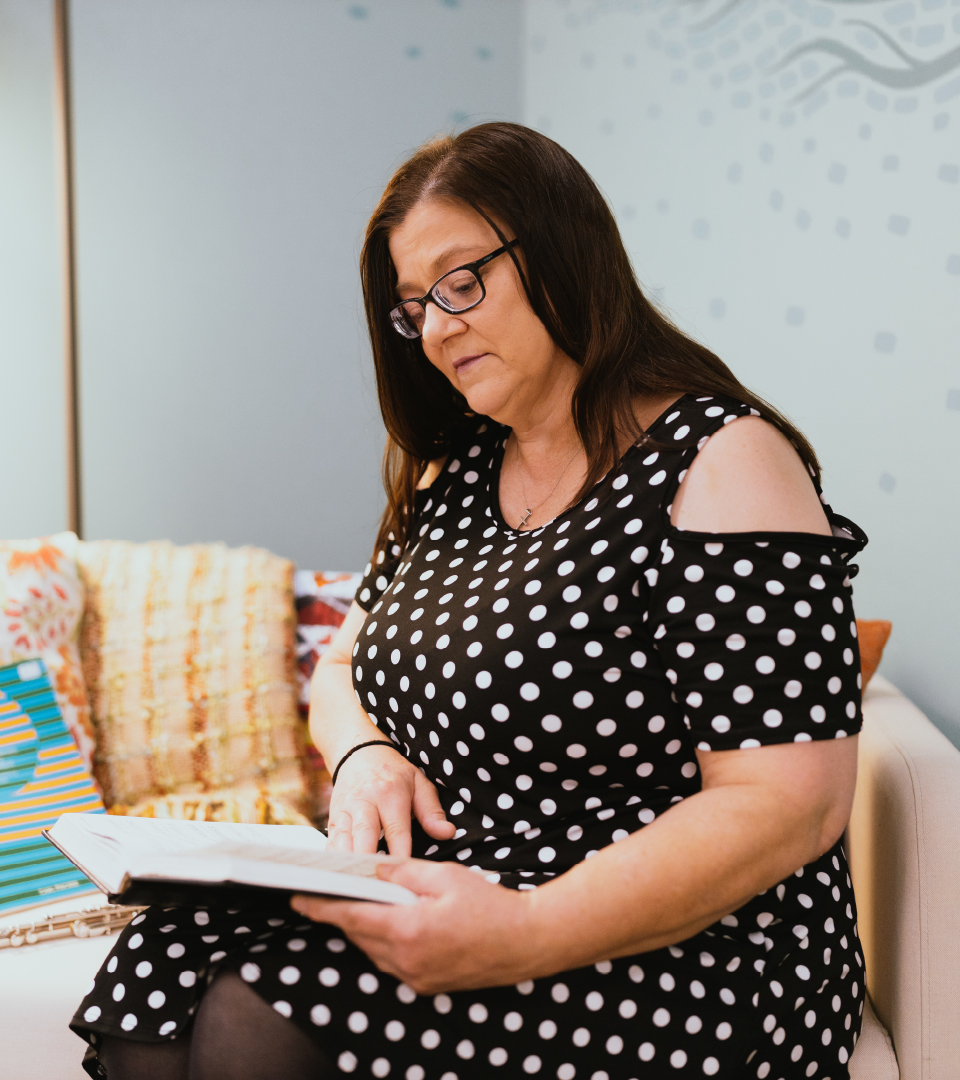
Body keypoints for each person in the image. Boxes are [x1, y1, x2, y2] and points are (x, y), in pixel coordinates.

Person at [72, 122, 867, 1080]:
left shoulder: (724, 460)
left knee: (265, 1012)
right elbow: (340, 675)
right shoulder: (457, 472)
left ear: (563, 250)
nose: (439, 327)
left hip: (686, 944)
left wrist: (528, 929)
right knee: (165, 962)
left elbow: (789, 806)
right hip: (480, 880)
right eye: (414, 307)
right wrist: (365, 756)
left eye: (463, 281)